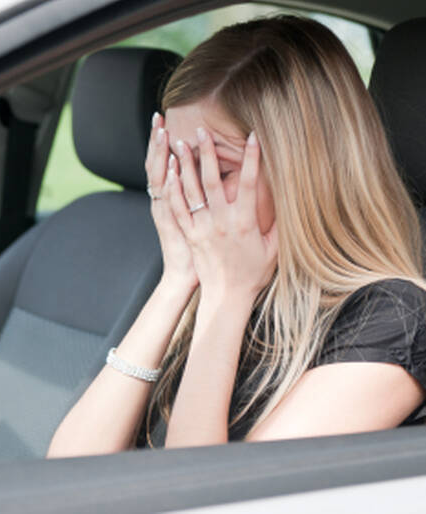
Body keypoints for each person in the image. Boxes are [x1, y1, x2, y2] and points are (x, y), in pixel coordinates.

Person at [47, 15, 426, 457]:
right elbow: (69, 467)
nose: (188, 191)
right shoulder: (218, 280)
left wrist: (227, 296)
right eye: (175, 163)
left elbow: (200, 493)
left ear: (302, 175)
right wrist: (177, 279)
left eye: (216, 169)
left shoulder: (394, 320)